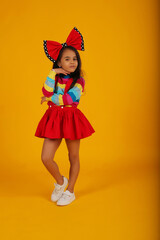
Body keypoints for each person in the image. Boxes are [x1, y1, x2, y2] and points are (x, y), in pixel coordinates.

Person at [35, 27, 95, 206]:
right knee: (46, 157)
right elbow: (45, 90)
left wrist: (49, 98)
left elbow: (69, 98)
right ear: (59, 61)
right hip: (54, 117)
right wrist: (53, 73)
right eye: (67, 59)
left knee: (73, 156)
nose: (72, 62)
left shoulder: (79, 81)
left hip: (71, 118)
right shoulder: (55, 76)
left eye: (75, 58)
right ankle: (61, 182)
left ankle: (70, 191)